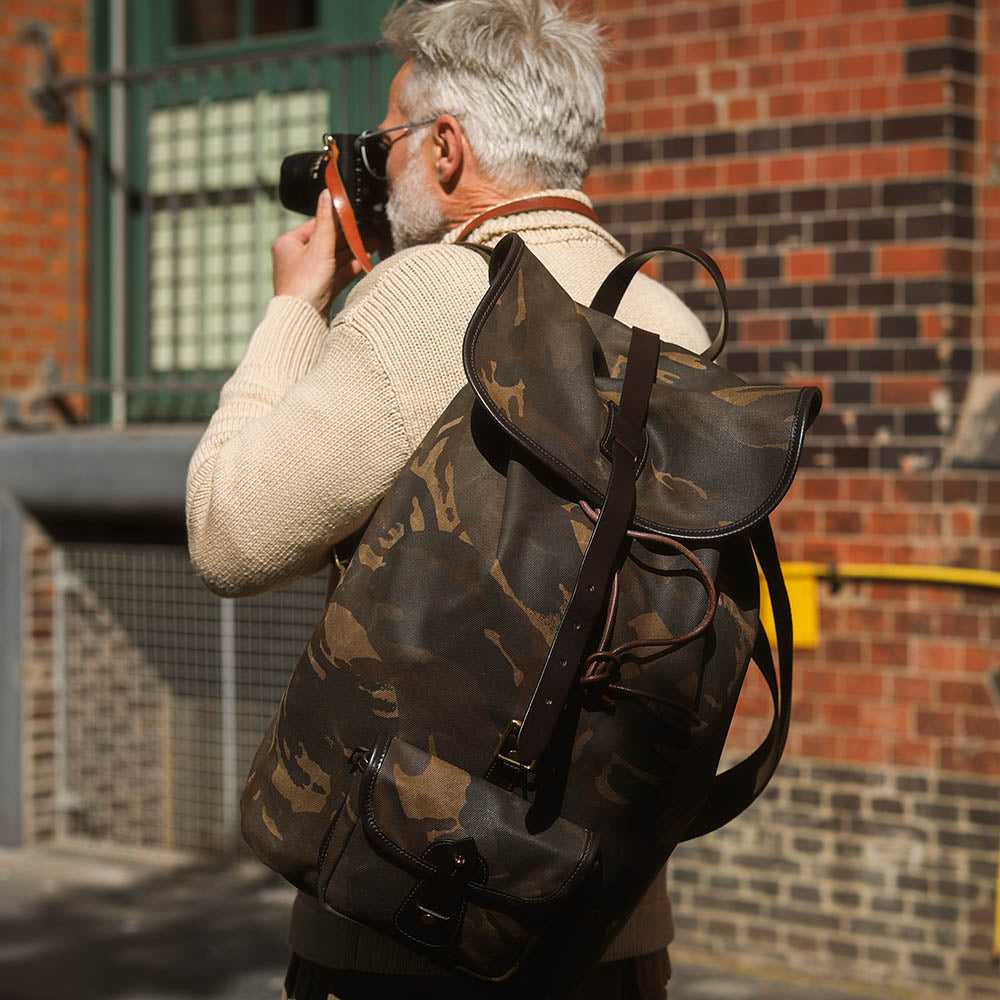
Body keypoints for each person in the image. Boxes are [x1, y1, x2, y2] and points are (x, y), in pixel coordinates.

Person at [186, 1, 709, 997]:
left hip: (409, 927)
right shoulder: (666, 315)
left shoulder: (430, 294)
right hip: (609, 927)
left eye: (388, 144)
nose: (380, 171)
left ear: (445, 146)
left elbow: (226, 536)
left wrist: (295, 306)